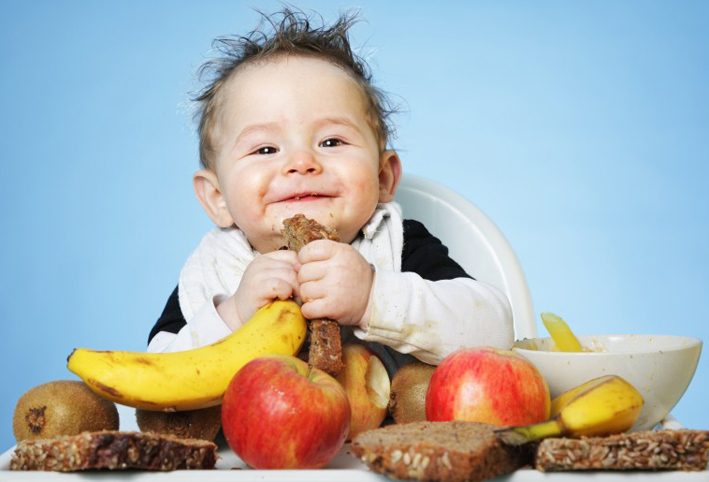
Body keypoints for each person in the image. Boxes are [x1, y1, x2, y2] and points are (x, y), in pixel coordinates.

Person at [147, 8, 513, 376]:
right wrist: (234, 314)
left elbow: (496, 332)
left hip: (392, 432)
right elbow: (155, 377)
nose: (302, 162)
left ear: (384, 178)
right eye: (265, 150)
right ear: (217, 198)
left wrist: (373, 297)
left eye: (331, 141)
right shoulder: (214, 269)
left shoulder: (398, 246)